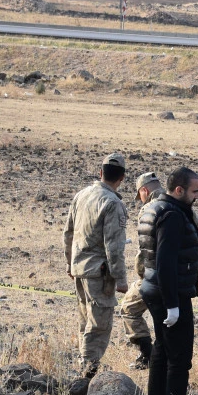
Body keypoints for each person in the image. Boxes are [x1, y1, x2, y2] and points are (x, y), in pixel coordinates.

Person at [138, 167, 198, 395]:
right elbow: (165, 261)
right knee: (179, 358)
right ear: (179, 190)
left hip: (154, 287)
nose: (197, 196)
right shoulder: (172, 215)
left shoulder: (154, 208)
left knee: (162, 352)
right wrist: (173, 305)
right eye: (194, 191)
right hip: (169, 292)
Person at [123, 172, 198, 370]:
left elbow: (148, 251)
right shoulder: (179, 205)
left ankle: (146, 355)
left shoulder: (153, 208)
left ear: (144, 190)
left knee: (129, 309)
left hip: (157, 278)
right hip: (176, 276)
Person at [62, 153, 128, 380]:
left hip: (80, 268)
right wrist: (120, 280)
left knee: (85, 322)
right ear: (121, 178)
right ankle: (87, 375)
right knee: (98, 325)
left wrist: (69, 263)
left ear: (100, 173)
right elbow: (114, 247)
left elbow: (68, 233)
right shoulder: (112, 203)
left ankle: (83, 369)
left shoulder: (81, 195)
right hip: (98, 273)